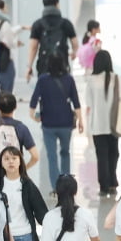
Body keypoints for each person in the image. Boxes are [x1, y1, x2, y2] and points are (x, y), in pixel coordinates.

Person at [30, 53, 83, 187]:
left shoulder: (43, 80)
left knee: (52, 156)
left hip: (48, 124)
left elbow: (33, 101)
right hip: (66, 123)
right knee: (65, 153)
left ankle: (56, 186)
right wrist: (81, 121)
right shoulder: (69, 79)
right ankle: (66, 183)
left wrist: (34, 116)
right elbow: (76, 103)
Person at [85, 49, 121, 196]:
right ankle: (113, 182)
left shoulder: (92, 80)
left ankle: (104, 186)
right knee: (114, 154)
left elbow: (89, 103)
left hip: (98, 125)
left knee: (102, 156)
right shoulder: (116, 78)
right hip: (114, 124)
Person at [28, 0, 79, 80]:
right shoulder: (66, 23)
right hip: (62, 64)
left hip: (44, 65)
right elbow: (75, 42)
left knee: (45, 90)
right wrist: (74, 53)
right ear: (57, 4)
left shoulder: (38, 24)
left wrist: (29, 66)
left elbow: (33, 47)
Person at [0, 91, 40, 169]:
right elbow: (35, 156)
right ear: (15, 107)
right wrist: (23, 170)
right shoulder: (21, 128)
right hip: (14, 173)